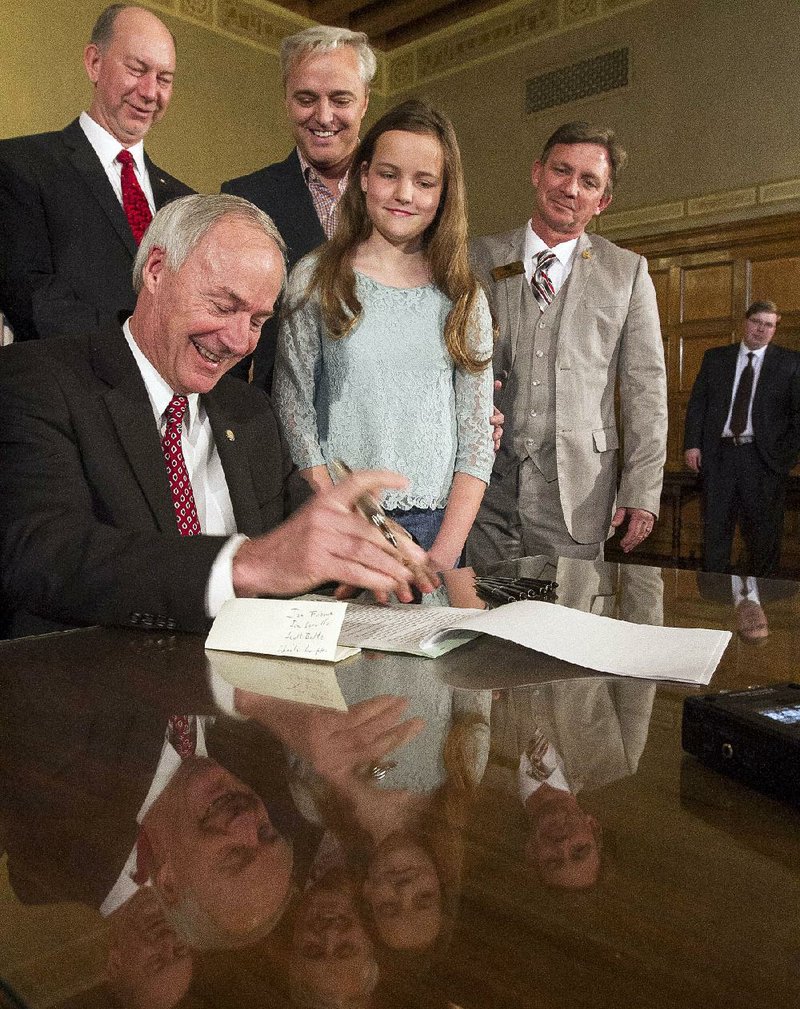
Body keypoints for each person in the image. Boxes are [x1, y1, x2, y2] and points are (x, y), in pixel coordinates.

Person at [0, 193, 436, 637]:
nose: (238, 341)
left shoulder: (249, 410)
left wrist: (372, 550)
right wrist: (240, 566)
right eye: (223, 306)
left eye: (257, 321)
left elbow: (295, 544)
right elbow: (42, 557)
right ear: (155, 271)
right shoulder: (38, 380)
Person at [274, 100, 495, 570]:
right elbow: (294, 413)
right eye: (389, 174)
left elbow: (477, 439)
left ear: (444, 194)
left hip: (439, 531)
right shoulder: (316, 278)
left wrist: (442, 555)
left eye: (424, 182)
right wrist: (340, 515)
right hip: (345, 522)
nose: (404, 194)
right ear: (364, 175)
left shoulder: (462, 294)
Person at [466, 121, 667, 566]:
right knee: (482, 620)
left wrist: (642, 489)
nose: (570, 188)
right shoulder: (477, 258)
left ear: (603, 201)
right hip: (482, 489)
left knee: (570, 626)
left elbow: (645, 387)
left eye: (588, 181)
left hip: (578, 494)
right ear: (537, 172)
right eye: (561, 170)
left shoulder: (627, 273)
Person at [0, 4, 192, 342]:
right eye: (136, 69)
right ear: (94, 63)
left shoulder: (185, 202)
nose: (149, 92)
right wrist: (140, 351)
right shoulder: (21, 165)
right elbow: (33, 300)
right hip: (65, 385)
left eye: (164, 79)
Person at [221, 25, 374, 391]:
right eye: (306, 99)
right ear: (286, 98)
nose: (323, 117)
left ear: (365, 101)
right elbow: (230, 343)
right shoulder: (246, 198)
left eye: (340, 100)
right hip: (279, 422)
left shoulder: (399, 197)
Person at [684, 300, 800, 576]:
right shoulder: (715, 358)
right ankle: (714, 604)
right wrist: (692, 444)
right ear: (745, 323)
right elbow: (698, 403)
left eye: (768, 325)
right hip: (719, 456)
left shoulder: (791, 363)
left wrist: (784, 459)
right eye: (756, 322)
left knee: (763, 535)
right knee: (716, 530)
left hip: (763, 460)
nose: (761, 329)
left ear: (774, 329)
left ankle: (761, 607)